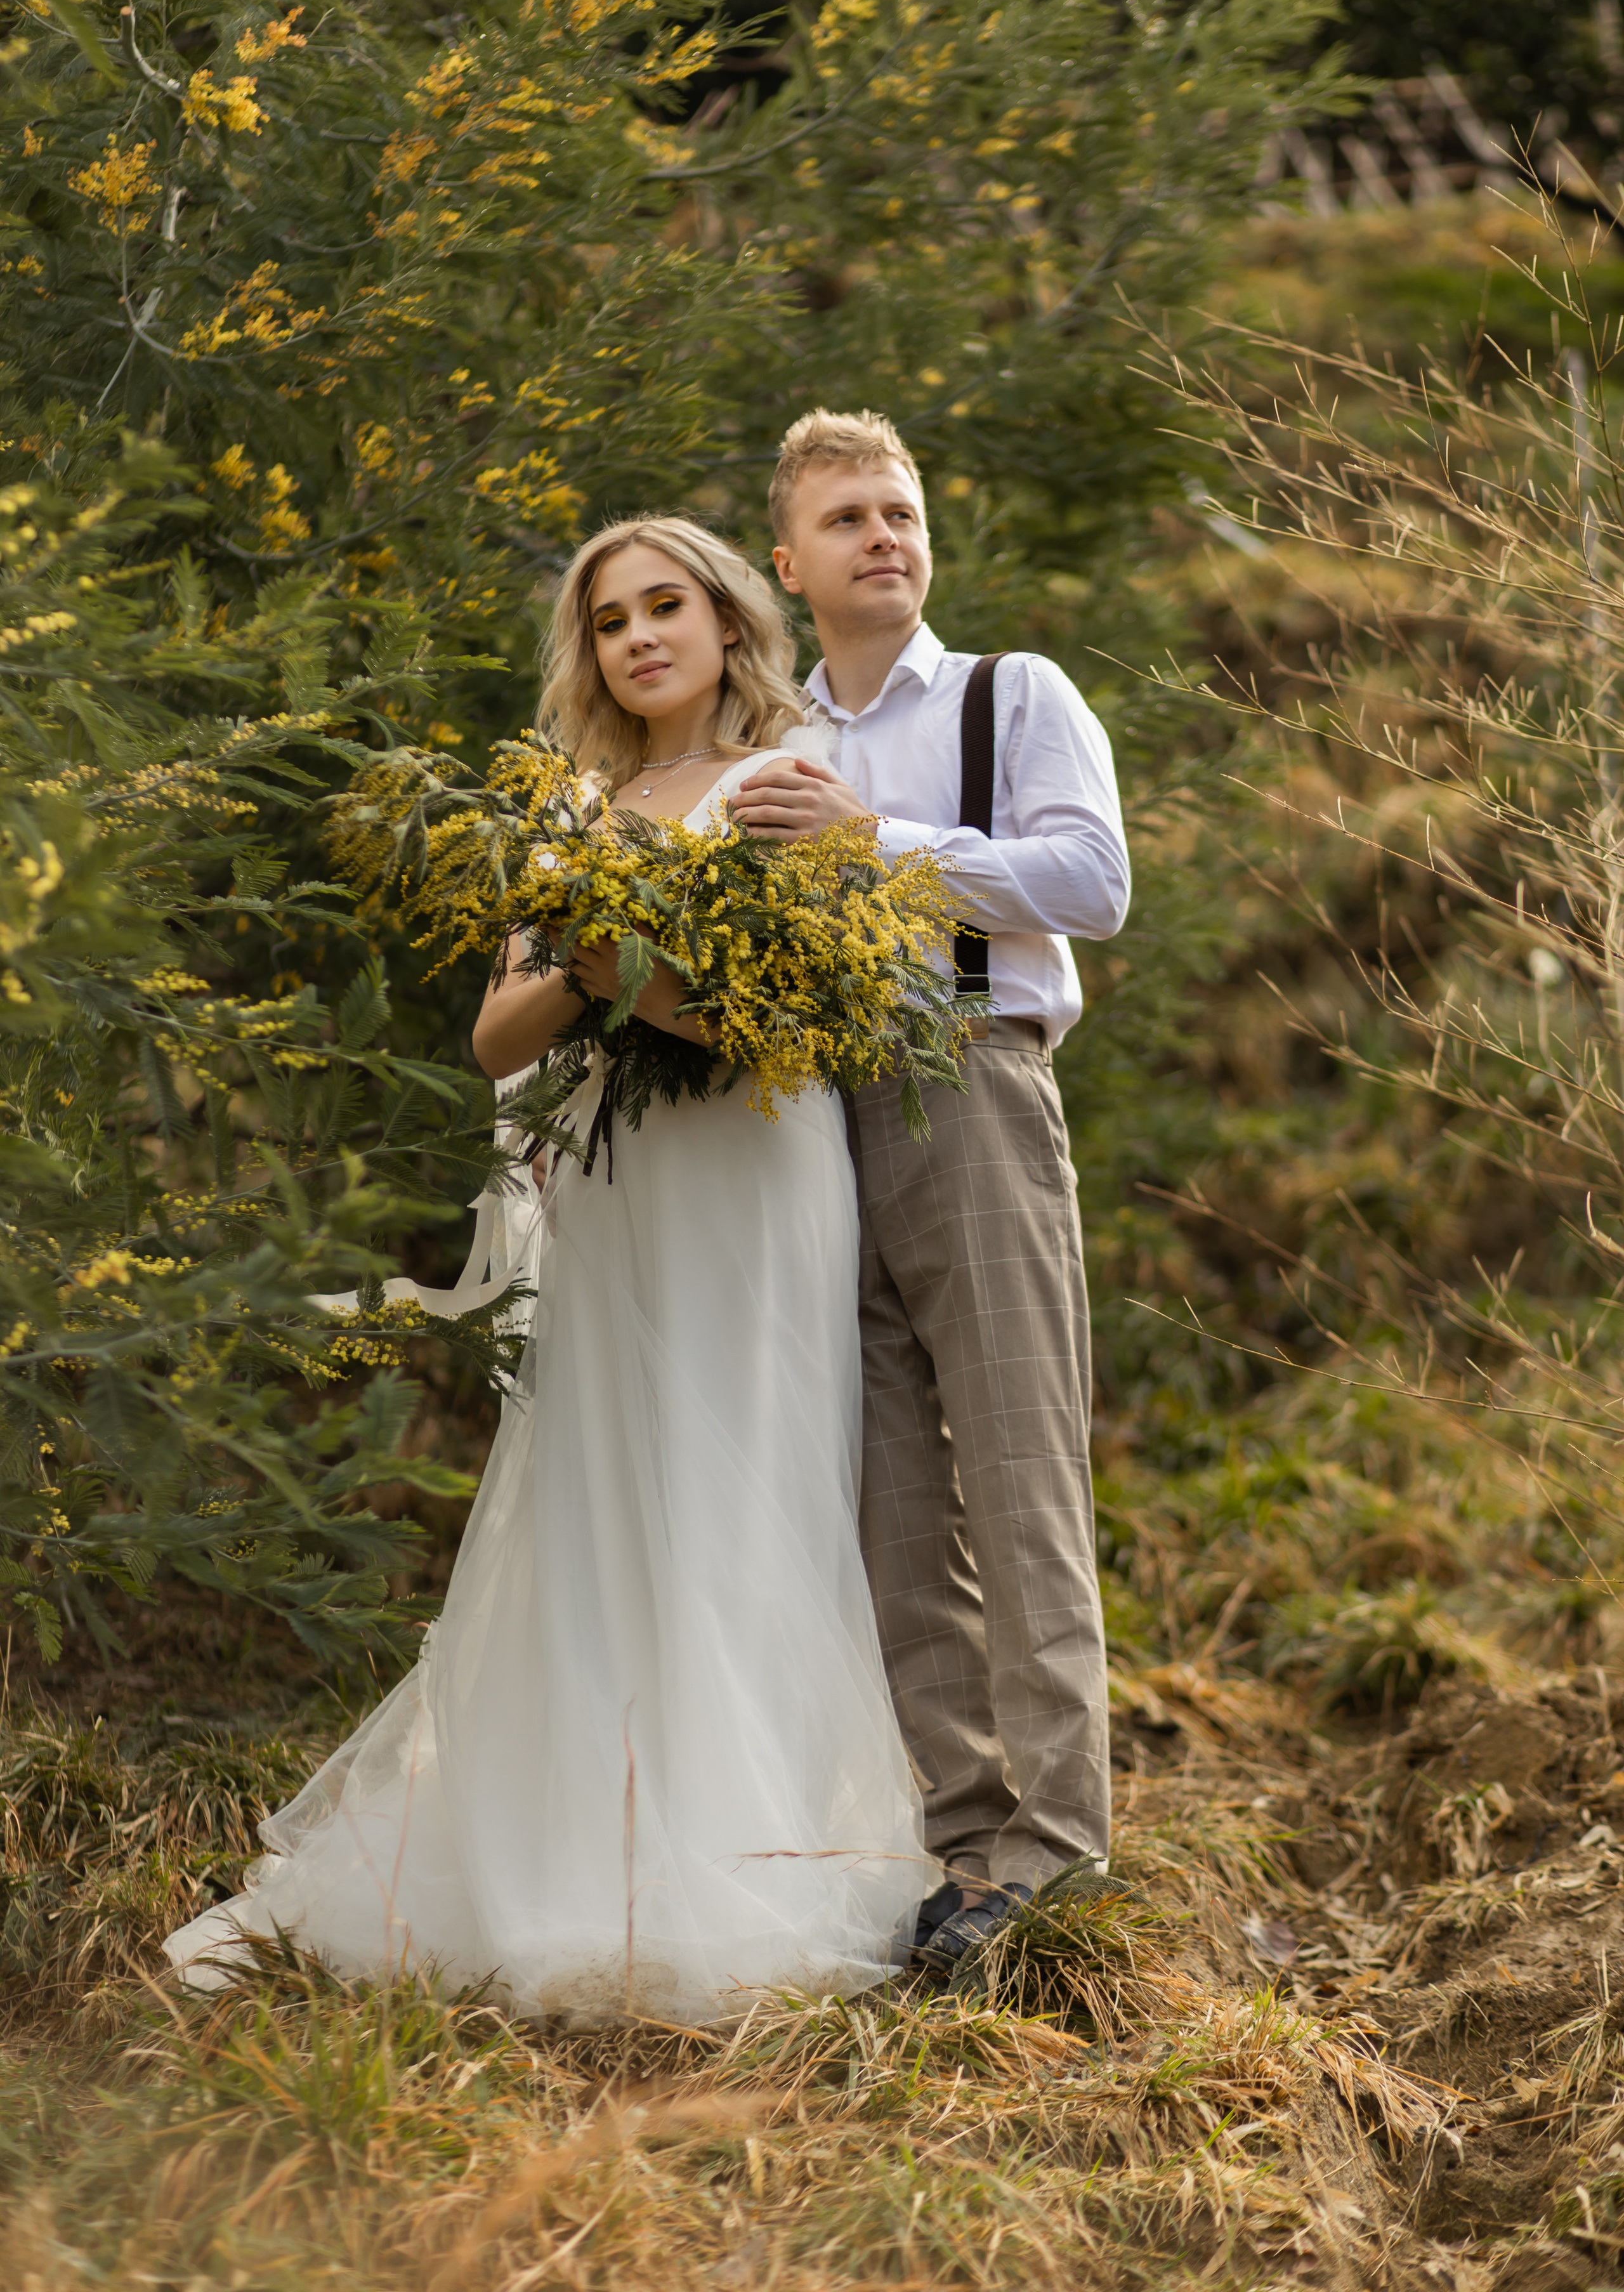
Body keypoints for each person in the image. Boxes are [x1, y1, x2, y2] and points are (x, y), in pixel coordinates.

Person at [163, 516, 931, 2024]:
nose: (638, 638)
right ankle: (581, 1837)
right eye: (607, 622)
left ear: (724, 619)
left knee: (747, 1477)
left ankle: (745, 1848)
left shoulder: (789, 782)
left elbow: (799, 1025)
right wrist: (591, 953)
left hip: (756, 1173)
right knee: (602, 1479)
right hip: (617, 1181)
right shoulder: (579, 809)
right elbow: (497, 1032)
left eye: (665, 607)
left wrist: (635, 967)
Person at [731, 409, 1130, 1976]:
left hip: (970, 1084)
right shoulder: (771, 742)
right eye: (845, 520)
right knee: (889, 1493)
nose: (882, 535)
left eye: (897, 511)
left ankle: (1061, 1847)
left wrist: (877, 842)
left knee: (1020, 1470)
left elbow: (1093, 883)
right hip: (810, 1119)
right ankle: (967, 1847)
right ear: (787, 562)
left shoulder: (1008, 695)